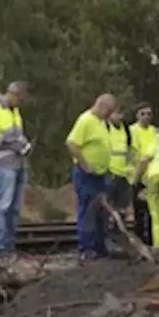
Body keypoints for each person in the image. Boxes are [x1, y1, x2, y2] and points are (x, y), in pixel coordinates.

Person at [0, 82, 31, 256]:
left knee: (14, 207)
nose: (21, 103)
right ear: (13, 94)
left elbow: (18, 135)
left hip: (17, 163)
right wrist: (12, 143)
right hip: (3, 164)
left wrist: (23, 144)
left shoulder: (14, 112)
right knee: (3, 205)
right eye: (21, 99)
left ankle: (9, 244)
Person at [66, 93, 117, 260]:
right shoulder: (86, 120)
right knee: (88, 210)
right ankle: (86, 248)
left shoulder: (101, 123)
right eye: (108, 110)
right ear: (101, 105)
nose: (110, 114)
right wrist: (85, 164)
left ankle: (100, 246)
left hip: (101, 175)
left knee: (101, 211)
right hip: (87, 175)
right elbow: (72, 143)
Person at [129, 102, 159, 244]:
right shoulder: (132, 131)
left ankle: (152, 240)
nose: (146, 117)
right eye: (143, 114)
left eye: (149, 114)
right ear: (137, 115)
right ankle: (140, 239)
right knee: (139, 211)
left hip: (153, 176)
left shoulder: (155, 132)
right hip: (138, 175)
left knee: (153, 211)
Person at [105, 106, 135, 233]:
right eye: (116, 113)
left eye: (121, 114)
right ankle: (107, 232)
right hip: (109, 172)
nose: (119, 116)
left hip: (123, 173)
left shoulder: (126, 129)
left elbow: (128, 150)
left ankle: (119, 232)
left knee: (122, 207)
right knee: (108, 206)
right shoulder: (105, 128)